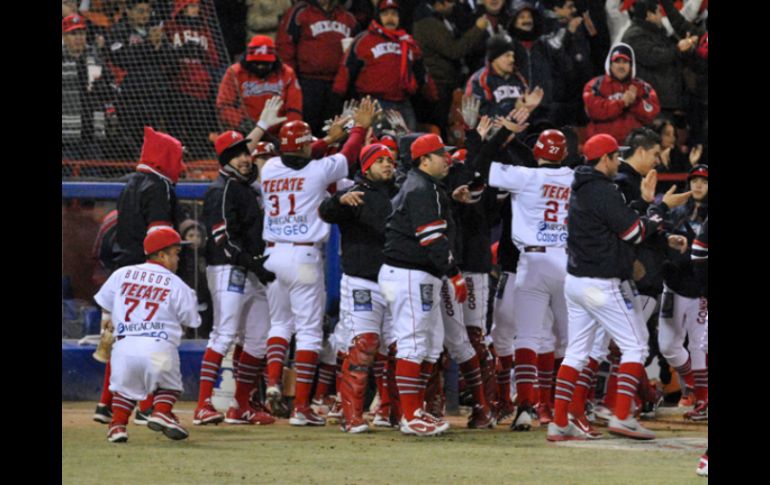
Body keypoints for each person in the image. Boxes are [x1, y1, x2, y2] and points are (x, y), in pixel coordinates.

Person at [546, 133, 691, 442]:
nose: (617, 162)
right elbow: (634, 232)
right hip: (601, 283)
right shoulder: (602, 190)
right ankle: (622, 415)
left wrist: (646, 206)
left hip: (576, 281)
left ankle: (559, 422)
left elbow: (619, 225)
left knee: (576, 353)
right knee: (636, 344)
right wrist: (657, 210)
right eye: (614, 157)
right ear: (606, 159)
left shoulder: (582, 188)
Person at [260, 99, 373, 427]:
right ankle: (301, 408)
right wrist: (359, 128)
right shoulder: (318, 170)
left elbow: (299, 153)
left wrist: (326, 139)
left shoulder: (269, 169)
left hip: (271, 253)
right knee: (309, 332)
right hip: (303, 254)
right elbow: (349, 156)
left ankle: (271, 383)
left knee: (279, 325)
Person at [193, 97, 288, 425]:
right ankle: (203, 404)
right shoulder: (221, 189)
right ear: (224, 160)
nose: (245, 158)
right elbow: (223, 239)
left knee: (259, 339)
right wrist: (253, 263)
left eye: (246, 152)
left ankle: (241, 405)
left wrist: (261, 128)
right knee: (224, 333)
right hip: (228, 269)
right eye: (237, 155)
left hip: (252, 269)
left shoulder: (244, 184)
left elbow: (242, 152)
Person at [92, 126, 187, 427]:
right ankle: (147, 406)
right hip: (147, 268)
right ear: (165, 157)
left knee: (122, 340)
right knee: (153, 336)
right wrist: (164, 268)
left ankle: (106, 404)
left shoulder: (129, 183)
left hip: (123, 269)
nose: (181, 165)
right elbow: (159, 234)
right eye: (176, 157)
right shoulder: (159, 185)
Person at [485, 129, 574, 432]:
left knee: (525, 337)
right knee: (572, 340)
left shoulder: (524, 176)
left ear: (537, 154)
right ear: (563, 154)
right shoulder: (575, 177)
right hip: (566, 260)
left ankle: (525, 407)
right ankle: (565, 409)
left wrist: (500, 134)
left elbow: (485, 164)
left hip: (532, 261)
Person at [378, 133, 467, 437]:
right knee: (414, 342)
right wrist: (454, 272)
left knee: (430, 344)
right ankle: (410, 414)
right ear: (424, 160)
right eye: (442, 154)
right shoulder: (421, 188)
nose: (448, 158)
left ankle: (417, 409)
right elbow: (430, 238)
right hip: (407, 273)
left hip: (416, 273)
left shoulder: (425, 185)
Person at [318, 143, 399, 433]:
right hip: (362, 282)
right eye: (380, 161)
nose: (388, 165)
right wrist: (339, 201)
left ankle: (390, 411)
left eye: (390, 160)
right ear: (367, 167)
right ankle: (350, 414)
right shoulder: (355, 193)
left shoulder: (400, 190)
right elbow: (325, 211)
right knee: (363, 345)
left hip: (395, 280)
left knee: (396, 348)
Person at [94, 227, 201, 442]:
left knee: (125, 390)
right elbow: (192, 320)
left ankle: (117, 427)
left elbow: (105, 304)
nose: (178, 258)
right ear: (161, 255)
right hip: (158, 346)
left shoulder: (122, 273)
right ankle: (161, 412)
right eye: (175, 253)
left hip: (124, 348)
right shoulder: (177, 284)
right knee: (169, 386)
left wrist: (106, 330)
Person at [333, 0, 437, 131]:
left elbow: (422, 73)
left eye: (394, 14)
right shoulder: (364, 40)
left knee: (408, 143)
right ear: (378, 16)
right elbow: (347, 68)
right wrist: (337, 94)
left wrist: (433, 97)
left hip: (402, 102)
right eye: (385, 14)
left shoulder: (409, 43)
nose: (390, 18)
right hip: (373, 103)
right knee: (375, 145)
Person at [659, 164, 708, 419]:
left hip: (701, 290)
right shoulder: (677, 212)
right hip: (674, 286)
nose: (698, 185)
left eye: (704, 181)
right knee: (668, 346)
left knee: (700, 346)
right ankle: (692, 384)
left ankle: (701, 398)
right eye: (694, 180)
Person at [276, 0, 359, 136]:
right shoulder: (299, 13)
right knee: (306, 130)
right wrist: (291, 80)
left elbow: (356, 52)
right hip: (307, 83)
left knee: (332, 131)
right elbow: (285, 48)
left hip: (337, 86)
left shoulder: (348, 18)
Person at [106, 0, 174, 158]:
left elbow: (170, 60)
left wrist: (159, 46)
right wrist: (150, 46)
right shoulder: (119, 30)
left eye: (147, 11)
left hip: (157, 94)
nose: (145, 15)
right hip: (131, 97)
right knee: (131, 141)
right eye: (140, 11)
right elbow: (122, 59)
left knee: (154, 140)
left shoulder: (156, 30)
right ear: (128, 11)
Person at [412, 0, 488, 137]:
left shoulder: (439, 18)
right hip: (438, 84)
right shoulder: (428, 23)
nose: (453, 5)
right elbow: (454, 50)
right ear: (439, 3)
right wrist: (478, 29)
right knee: (441, 128)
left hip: (445, 83)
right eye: (449, 2)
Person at [164, 0, 220, 158]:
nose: (197, 9)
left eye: (197, 6)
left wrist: (201, 53)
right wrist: (179, 53)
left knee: (199, 133)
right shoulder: (170, 27)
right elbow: (162, 57)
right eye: (193, 6)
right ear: (182, 8)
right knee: (176, 133)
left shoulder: (204, 29)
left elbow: (214, 59)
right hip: (177, 89)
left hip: (201, 90)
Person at [216, 35, 303, 134]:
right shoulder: (235, 73)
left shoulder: (286, 74)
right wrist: (241, 123)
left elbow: (294, 109)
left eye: (265, 64)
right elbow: (224, 105)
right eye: (256, 63)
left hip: (278, 134)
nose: (260, 67)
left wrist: (288, 131)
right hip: (244, 132)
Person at [621, 0, 690, 121]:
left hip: (665, 96)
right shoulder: (635, 35)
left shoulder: (657, 31)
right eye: (658, 12)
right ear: (649, 15)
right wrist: (678, 49)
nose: (661, 16)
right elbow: (654, 57)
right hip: (653, 98)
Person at [62, 13, 117, 162]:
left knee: (93, 176)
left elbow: (112, 86)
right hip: (66, 133)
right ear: (64, 36)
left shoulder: (95, 57)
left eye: (81, 33)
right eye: (73, 34)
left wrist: (104, 91)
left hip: (93, 131)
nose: (79, 38)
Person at [583, 43, 660, 144]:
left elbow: (652, 113)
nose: (621, 66)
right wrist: (622, 102)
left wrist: (636, 102)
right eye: (617, 61)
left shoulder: (643, 87)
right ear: (610, 64)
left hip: (634, 147)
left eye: (625, 62)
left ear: (631, 65)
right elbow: (595, 111)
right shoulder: (595, 85)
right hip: (604, 145)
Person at [465, 34, 544, 120]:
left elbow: (524, 112)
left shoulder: (518, 78)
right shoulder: (479, 80)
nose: (512, 60)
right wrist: (513, 109)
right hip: (493, 132)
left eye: (512, 55)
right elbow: (477, 116)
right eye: (507, 55)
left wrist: (529, 108)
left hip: (518, 131)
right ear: (494, 58)